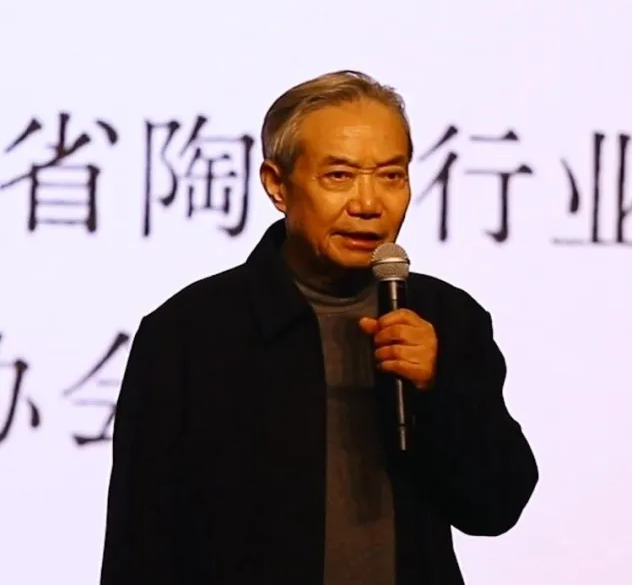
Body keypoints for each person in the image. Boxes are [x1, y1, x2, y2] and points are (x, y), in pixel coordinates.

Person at [99, 70, 539, 585]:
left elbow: (496, 506)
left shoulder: (445, 317)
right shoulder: (190, 333)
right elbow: (140, 541)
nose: (369, 204)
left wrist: (440, 390)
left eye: (391, 176)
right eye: (339, 176)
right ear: (277, 185)